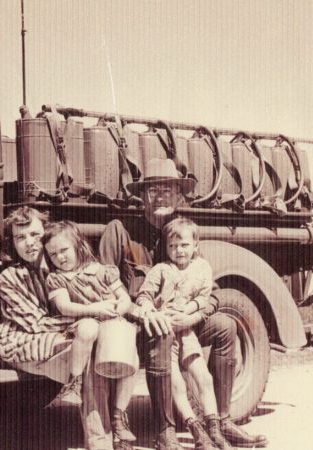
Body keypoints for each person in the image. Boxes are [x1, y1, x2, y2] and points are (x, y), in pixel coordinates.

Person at [99, 158, 268, 448]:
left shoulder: (182, 234)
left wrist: (192, 317)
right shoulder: (120, 230)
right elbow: (102, 284)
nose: (161, 196)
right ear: (142, 196)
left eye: (169, 190)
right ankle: (165, 430)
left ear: (179, 196)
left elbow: (210, 291)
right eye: (153, 190)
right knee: (161, 332)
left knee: (226, 326)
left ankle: (222, 421)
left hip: (182, 325)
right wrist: (141, 314)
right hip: (133, 328)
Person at [0, 207, 116, 450]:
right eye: (20, 237)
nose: (28, 243)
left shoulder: (62, 269)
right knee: (90, 336)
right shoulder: (10, 278)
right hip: (24, 343)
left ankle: (109, 431)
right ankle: (101, 442)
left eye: (35, 235)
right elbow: (36, 324)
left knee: (94, 339)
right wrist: (88, 315)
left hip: (63, 339)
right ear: (13, 243)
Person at [137, 217, 232, 450]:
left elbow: (203, 297)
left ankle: (214, 428)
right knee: (177, 383)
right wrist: (150, 310)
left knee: (203, 377)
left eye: (184, 245)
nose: (178, 251)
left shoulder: (202, 268)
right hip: (165, 331)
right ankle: (196, 431)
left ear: (196, 245)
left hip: (187, 330)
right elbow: (144, 296)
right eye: (172, 246)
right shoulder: (161, 269)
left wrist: (189, 311)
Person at [42, 220, 138, 448]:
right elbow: (65, 307)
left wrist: (118, 307)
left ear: (78, 245)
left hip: (112, 323)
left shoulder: (102, 271)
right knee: (93, 367)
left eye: (64, 250)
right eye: (53, 254)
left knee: (131, 360)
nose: (60, 258)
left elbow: (124, 298)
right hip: (84, 325)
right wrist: (96, 309)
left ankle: (118, 414)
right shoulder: (57, 279)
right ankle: (76, 388)